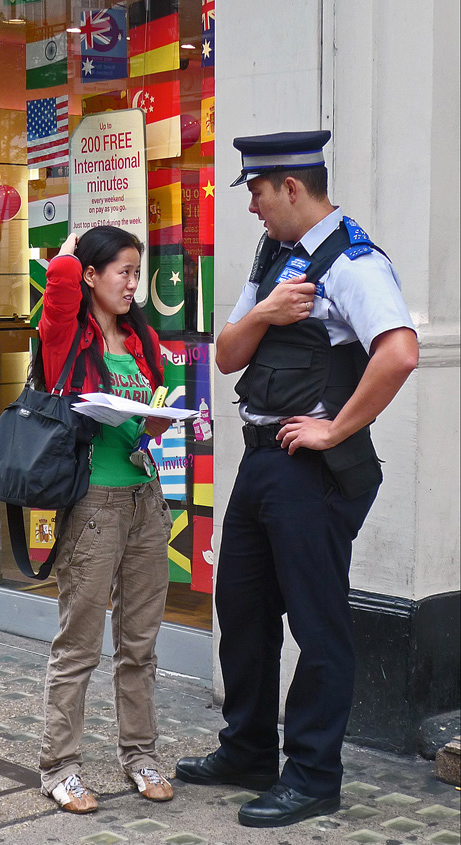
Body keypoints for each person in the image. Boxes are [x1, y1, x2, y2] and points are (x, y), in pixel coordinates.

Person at [176, 131, 419, 828]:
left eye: (255, 190)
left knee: (318, 624)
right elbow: (225, 355)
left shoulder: (354, 260)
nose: (249, 205)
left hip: (310, 469)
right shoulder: (276, 256)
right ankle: (248, 750)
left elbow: (399, 353)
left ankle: (313, 774)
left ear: (290, 187)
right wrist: (264, 312)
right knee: (244, 611)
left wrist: (335, 428)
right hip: (262, 459)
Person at [33, 226, 174, 814]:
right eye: (122, 271)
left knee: (139, 644)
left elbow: (150, 408)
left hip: (147, 500)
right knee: (80, 644)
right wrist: (68, 255)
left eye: (137, 273)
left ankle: (140, 754)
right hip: (94, 505)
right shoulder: (68, 336)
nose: (132, 283)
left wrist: (162, 420)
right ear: (91, 275)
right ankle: (59, 766)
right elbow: (59, 292)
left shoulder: (138, 335)